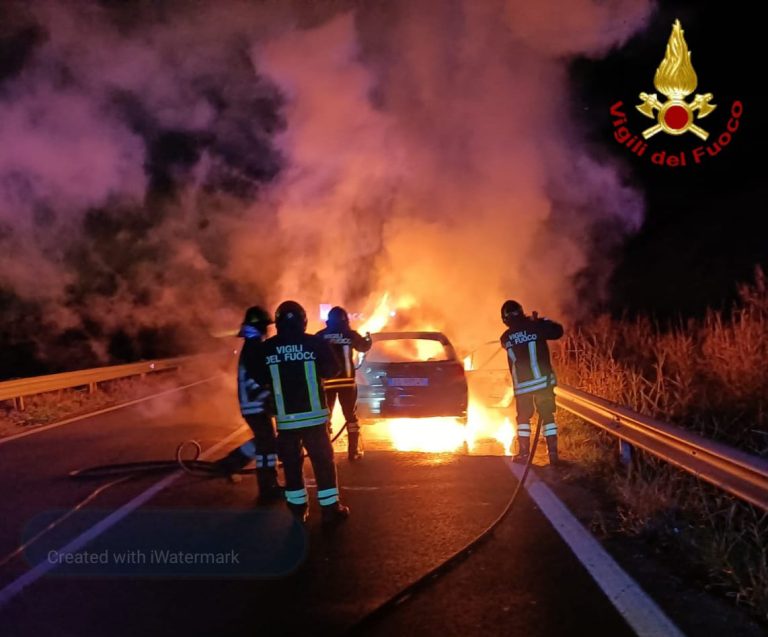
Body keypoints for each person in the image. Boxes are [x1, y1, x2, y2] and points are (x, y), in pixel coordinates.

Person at [257, 300, 349, 525]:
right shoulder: (314, 343)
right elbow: (332, 369)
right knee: (323, 463)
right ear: (303, 321)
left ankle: (297, 512)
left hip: (286, 421)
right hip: (314, 419)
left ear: (277, 322)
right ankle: (330, 510)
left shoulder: (268, 347)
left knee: (291, 466)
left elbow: (260, 377)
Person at [215, 306, 282, 504]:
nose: (268, 330)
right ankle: (265, 486)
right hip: (255, 403)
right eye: (266, 326)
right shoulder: (254, 347)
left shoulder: (253, 345)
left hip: (254, 403)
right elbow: (261, 377)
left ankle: (233, 465)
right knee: (266, 443)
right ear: (260, 326)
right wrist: (272, 393)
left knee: (265, 442)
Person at [500, 300, 564, 465]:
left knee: (523, 419)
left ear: (504, 319)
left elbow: (517, 341)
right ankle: (553, 454)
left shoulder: (505, 338)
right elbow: (558, 331)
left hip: (523, 388)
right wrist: (541, 321)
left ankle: (523, 454)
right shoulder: (536, 328)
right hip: (543, 383)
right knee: (547, 417)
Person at [316, 306, 372, 461]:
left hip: (327, 383)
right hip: (347, 382)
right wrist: (368, 339)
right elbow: (363, 346)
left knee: (326, 416)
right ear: (345, 319)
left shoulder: (321, 336)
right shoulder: (350, 334)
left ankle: (325, 453)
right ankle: (353, 452)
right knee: (350, 416)